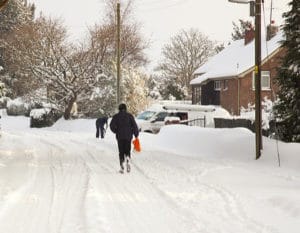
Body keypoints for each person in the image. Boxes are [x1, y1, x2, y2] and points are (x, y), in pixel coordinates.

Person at [110, 103, 139, 173]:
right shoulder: (130, 116)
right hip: (128, 136)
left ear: (119, 109)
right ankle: (128, 159)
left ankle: (122, 164)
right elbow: (135, 126)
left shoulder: (116, 116)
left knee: (121, 151)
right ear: (125, 109)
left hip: (120, 137)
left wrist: (116, 131)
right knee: (127, 150)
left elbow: (111, 126)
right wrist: (136, 135)